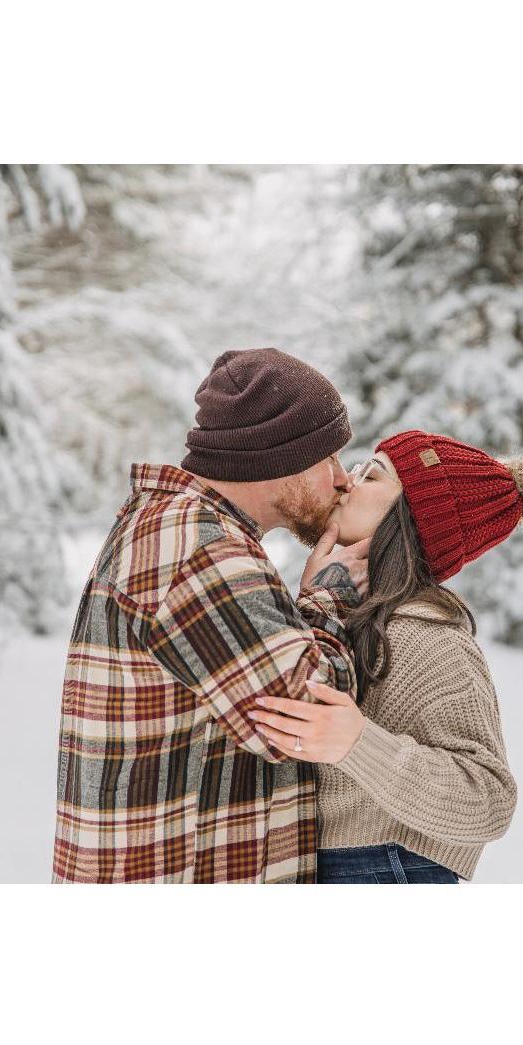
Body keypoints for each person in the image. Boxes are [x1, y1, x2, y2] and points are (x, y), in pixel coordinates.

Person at [52, 347, 370, 883]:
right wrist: (329, 595)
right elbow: (306, 714)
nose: (342, 480)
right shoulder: (200, 550)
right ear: (277, 457)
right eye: (328, 459)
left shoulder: (180, 529)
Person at [249, 429, 523, 883]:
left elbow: (488, 799)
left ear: (411, 516)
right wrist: (314, 601)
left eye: (371, 476)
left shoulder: (427, 636)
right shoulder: (343, 611)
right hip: (326, 864)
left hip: (383, 866)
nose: (348, 482)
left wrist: (359, 745)